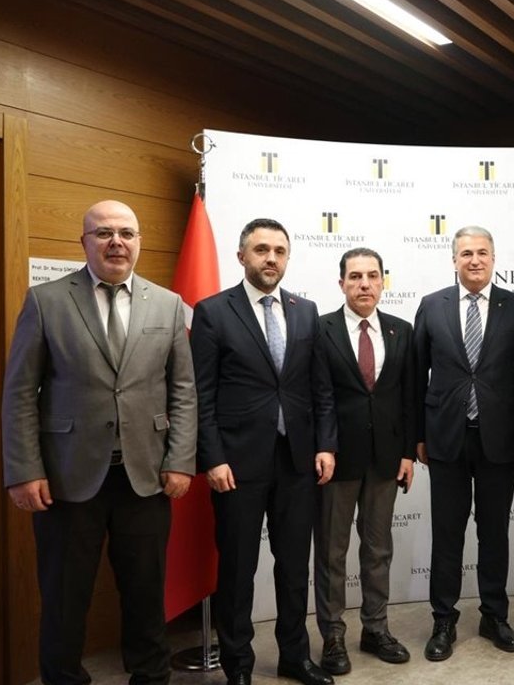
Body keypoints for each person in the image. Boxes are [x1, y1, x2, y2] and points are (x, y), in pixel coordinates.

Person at [2, 199, 196, 685]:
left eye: (126, 233)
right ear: (84, 242)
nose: (116, 242)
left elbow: (183, 390)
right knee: (65, 598)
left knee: (146, 595)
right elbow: (20, 392)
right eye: (104, 233)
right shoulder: (46, 301)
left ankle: (151, 677)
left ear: (139, 241)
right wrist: (24, 470)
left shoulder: (168, 304)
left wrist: (180, 460)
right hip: (67, 479)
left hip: (146, 477)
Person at [191, 218, 335, 685]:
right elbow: (200, 394)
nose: (271, 258)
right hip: (236, 464)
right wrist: (212, 457)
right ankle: (238, 665)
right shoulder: (214, 312)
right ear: (242, 257)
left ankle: (295, 656)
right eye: (261, 250)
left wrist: (325, 445)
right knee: (238, 570)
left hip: (297, 461)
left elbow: (320, 389)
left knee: (294, 567)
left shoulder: (305, 311)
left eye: (279, 251)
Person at [413, 226, 514, 661]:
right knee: (447, 533)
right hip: (446, 438)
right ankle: (443, 619)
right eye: (466, 253)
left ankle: (494, 615)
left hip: (500, 438)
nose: (475, 260)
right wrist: (417, 436)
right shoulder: (432, 305)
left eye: (482, 252)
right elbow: (415, 375)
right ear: (454, 260)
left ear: (494, 258)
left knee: (494, 532)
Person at [313, 247, 416, 675]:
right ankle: (333, 636)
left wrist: (407, 452)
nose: (364, 284)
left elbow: (409, 397)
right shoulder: (320, 329)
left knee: (378, 549)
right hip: (336, 461)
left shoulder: (401, 331)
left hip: (385, 460)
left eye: (372, 276)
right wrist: (324, 446)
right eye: (355, 277)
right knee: (332, 553)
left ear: (382, 281)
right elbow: (317, 395)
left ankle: (375, 629)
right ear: (341, 283)